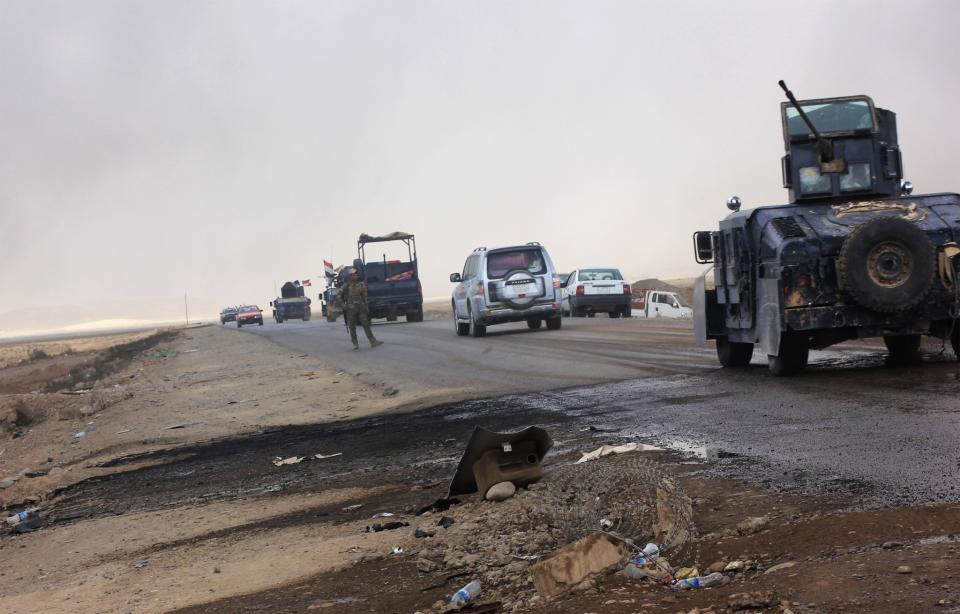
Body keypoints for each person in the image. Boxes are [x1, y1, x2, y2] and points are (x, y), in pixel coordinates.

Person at [339, 269, 382, 349]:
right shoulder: (346, 285)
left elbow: (364, 297)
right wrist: (342, 304)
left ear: (357, 275)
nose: (353, 276)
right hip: (350, 309)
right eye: (351, 275)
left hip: (360, 308)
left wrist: (366, 306)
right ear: (350, 276)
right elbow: (339, 294)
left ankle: (373, 341)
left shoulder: (361, 284)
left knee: (366, 324)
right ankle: (355, 344)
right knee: (352, 327)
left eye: (355, 275)